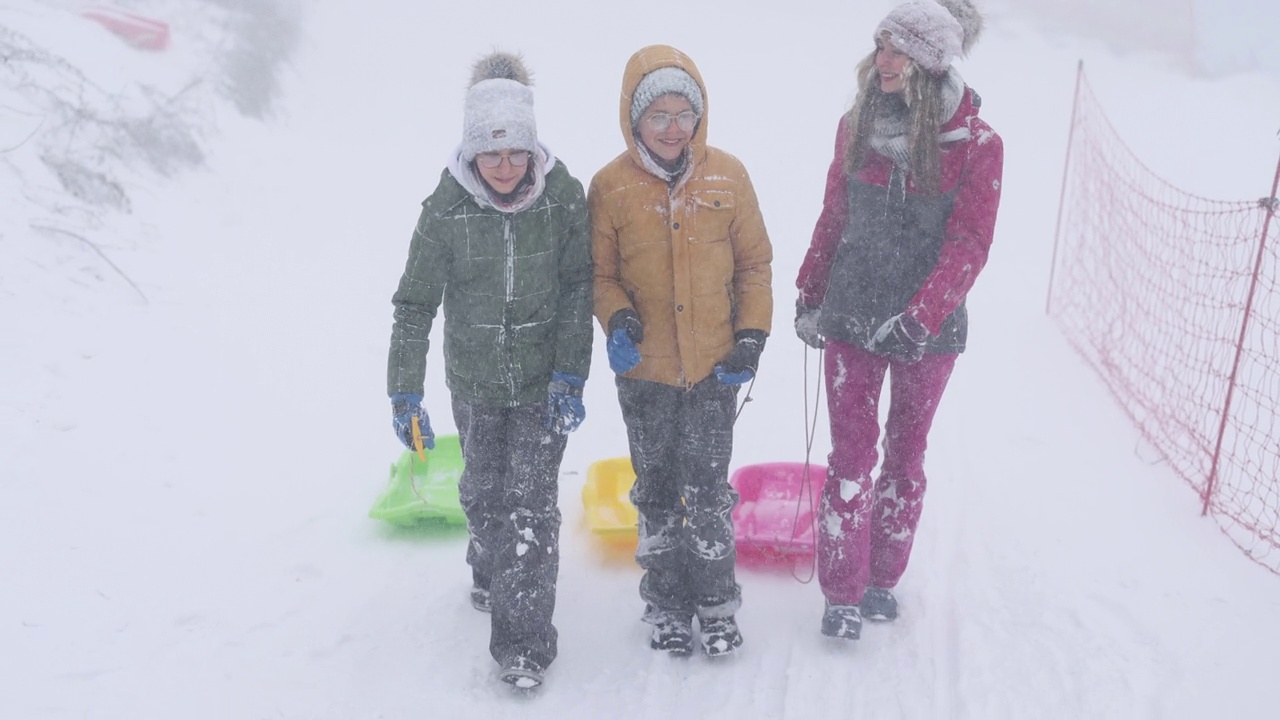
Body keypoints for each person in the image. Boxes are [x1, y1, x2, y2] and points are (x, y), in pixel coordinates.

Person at [794, 0, 1002, 641]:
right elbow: (835, 213)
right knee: (852, 455)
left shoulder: (978, 145)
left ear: (930, 63)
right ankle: (841, 593)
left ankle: (882, 577)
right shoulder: (854, 125)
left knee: (905, 457)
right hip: (853, 312)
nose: (881, 62)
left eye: (897, 52)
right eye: (880, 47)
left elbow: (970, 243)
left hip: (928, 332)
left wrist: (921, 316)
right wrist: (811, 289)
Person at [386, 51, 593, 689]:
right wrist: (404, 391)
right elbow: (414, 305)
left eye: (516, 154)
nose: (504, 168)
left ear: (532, 149)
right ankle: (487, 561)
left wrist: (570, 373)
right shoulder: (445, 210)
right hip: (473, 380)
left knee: (530, 506)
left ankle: (523, 644)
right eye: (490, 156)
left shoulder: (562, 199)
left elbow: (578, 289)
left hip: (540, 383)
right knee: (483, 493)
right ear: (471, 154)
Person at [590, 45, 774, 658]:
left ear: (699, 117)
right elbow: (601, 274)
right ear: (634, 119)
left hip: (714, 370)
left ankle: (717, 604)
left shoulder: (729, 175)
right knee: (657, 489)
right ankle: (667, 602)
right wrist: (615, 319)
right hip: (645, 375)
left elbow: (754, 265)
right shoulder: (610, 187)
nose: (672, 128)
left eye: (683, 114)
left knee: (708, 489)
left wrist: (751, 336)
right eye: (658, 115)